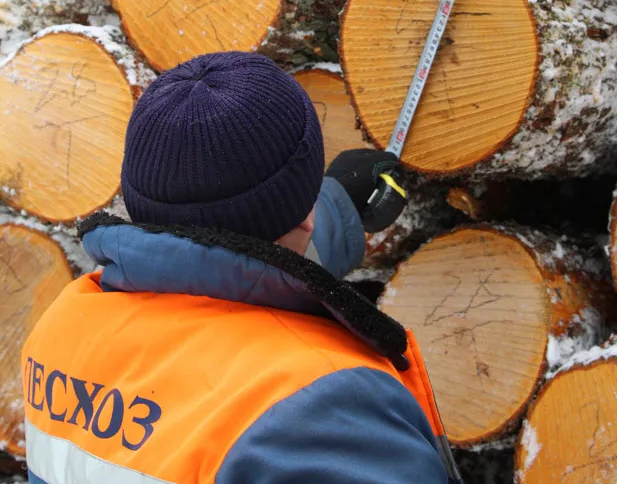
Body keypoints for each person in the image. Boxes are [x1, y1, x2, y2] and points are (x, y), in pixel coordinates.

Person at [22, 52, 462, 484]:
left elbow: (214, 257)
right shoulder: (327, 409)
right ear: (305, 213)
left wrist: (337, 207)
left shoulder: (62, 328)